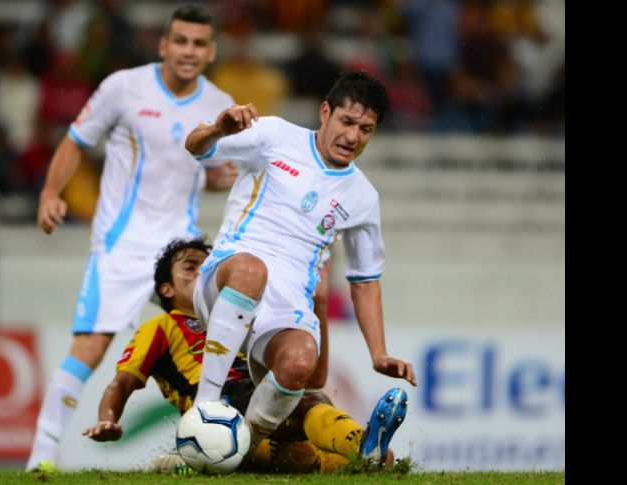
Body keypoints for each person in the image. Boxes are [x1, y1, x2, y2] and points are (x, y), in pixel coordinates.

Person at [26, 5, 237, 472]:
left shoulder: (219, 102)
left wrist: (225, 175)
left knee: (209, 346)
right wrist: (49, 193)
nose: (188, 50)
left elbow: (214, 173)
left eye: (199, 43)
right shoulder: (123, 88)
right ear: (163, 45)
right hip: (121, 245)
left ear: (211, 51)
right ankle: (41, 458)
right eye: (180, 40)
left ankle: (216, 451)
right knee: (90, 347)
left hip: (182, 253)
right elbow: (75, 140)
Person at [184, 71, 417, 459]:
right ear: (325, 112)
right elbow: (196, 148)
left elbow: (364, 280)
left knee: (301, 362)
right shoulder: (275, 135)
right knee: (251, 271)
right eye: (347, 122)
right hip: (226, 278)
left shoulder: (362, 198)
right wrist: (217, 128)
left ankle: (238, 448)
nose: (354, 137)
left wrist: (378, 353)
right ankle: (202, 409)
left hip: (285, 304)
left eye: (366, 129)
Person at [82, 237, 405, 473]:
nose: (201, 274)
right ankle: (361, 443)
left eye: (207, 267)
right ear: (166, 289)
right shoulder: (161, 326)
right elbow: (121, 383)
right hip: (220, 407)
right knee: (310, 405)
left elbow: (314, 375)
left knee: (326, 456)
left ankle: (196, 464)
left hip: (259, 423)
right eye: (190, 267)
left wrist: (319, 303)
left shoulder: (245, 319)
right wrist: (107, 419)